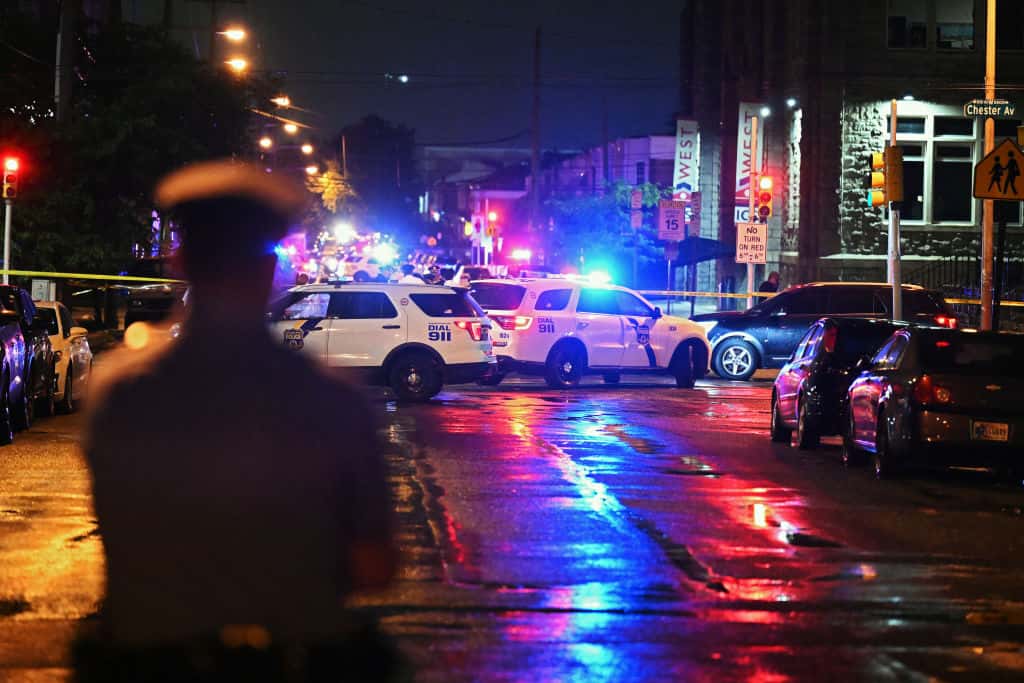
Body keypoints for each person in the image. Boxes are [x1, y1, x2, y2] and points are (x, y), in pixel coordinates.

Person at [76, 160, 399, 682]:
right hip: (294, 660)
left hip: (149, 663)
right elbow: (375, 566)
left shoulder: (119, 392)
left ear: (180, 261)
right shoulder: (332, 399)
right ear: (270, 272)